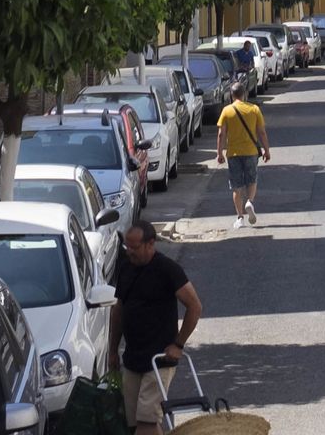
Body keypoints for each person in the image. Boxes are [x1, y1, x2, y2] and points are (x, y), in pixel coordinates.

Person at [109, 220, 202, 430]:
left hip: (159, 359)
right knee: (134, 423)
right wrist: (112, 350)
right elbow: (119, 310)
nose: (129, 252)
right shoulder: (125, 267)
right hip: (133, 358)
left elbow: (194, 306)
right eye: (127, 247)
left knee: (147, 420)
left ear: (150, 244)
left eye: (135, 247)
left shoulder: (167, 269)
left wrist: (178, 345)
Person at [215, 87, 271, 226]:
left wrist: (219, 153)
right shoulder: (254, 109)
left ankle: (240, 217)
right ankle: (249, 202)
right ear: (244, 94)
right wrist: (266, 150)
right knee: (252, 180)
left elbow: (221, 134)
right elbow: (261, 132)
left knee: (236, 186)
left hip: (233, 153)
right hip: (251, 151)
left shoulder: (226, 111)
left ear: (232, 95)